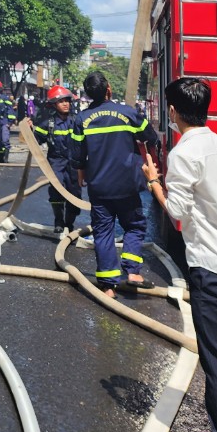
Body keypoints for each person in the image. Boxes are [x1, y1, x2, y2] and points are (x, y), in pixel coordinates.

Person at [143, 77, 217, 432]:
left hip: (209, 270)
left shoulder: (183, 154)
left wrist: (154, 183)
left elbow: (177, 213)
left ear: (173, 111)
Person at [71, 70, 159, 296]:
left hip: (99, 185)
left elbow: (78, 154)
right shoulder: (128, 113)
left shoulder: (81, 119)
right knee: (134, 226)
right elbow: (150, 137)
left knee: (103, 232)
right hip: (127, 184)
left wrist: (81, 174)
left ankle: (108, 285)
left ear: (88, 94)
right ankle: (132, 272)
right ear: (108, 88)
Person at [33, 85, 82, 233]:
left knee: (75, 195)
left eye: (67, 100)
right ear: (54, 104)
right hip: (56, 162)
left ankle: (69, 223)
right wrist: (29, 129)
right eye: (61, 101)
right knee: (56, 192)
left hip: (74, 164)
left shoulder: (77, 120)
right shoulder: (48, 124)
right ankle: (59, 221)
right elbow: (35, 141)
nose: (65, 104)